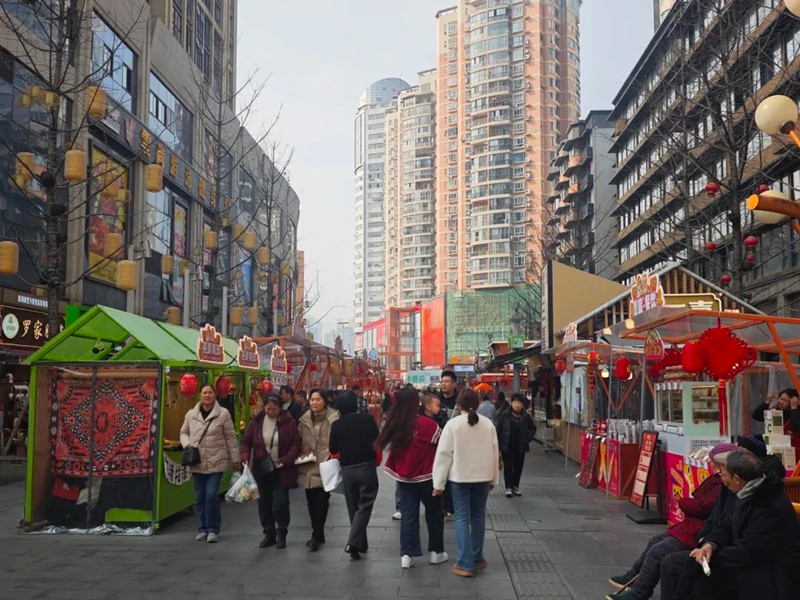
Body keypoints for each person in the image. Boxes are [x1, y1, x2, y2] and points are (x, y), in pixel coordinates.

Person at [659, 438, 790, 600]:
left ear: (736, 478)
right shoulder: (745, 491)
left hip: (768, 572)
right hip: (740, 558)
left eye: (724, 475)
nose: (722, 479)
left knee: (700, 576)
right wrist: (710, 544)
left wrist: (711, 558)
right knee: (674, 563)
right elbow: (726, 524)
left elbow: (748, 552)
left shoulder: (769, 505)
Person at [604, 443, 728, 600]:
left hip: (698, 532)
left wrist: (684, 502)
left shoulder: (721, 485)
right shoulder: (719, 481)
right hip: (695, 527)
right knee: (655, 541)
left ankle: (639, 593)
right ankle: (632, 577)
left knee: (660, 551)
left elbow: (704, 507)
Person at [433, 388, 499, 578]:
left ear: (458, 405)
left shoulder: (453, 425)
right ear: (478, 404)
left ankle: (464, 563)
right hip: (483, 478)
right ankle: (477, 559)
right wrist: (494, 478)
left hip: (460, 479)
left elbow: (444, 455)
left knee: (462, 518)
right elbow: (495, 454)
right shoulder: (488, 425)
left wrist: (438, 483)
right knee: (478, 517)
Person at [379, 387, 448, 569]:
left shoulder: (394, 425)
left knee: (408, 516)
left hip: (404, 477)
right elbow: (443, 448)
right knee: (434, 513)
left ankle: (407, 555)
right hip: (427, 476)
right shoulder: (429, 425)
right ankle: (436, 552)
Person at [179, 385, 240, 543]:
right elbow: (183, 432)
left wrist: (235, 458)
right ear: (200, 395)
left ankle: (213, 529)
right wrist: (187, 445)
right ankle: (202, 528)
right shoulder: (191, 414)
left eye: (210, 393)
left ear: (215, 395)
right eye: (204, 392)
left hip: (216, 461)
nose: (207, 395)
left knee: (211, 495)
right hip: (197, 461)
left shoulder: (223, 414)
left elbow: (230, 437)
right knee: (199, 497)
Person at [240, 394, 301, 549]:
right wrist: (245, 457)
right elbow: (246, 441)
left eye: (274, 409)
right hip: (262, 468)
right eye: (268, 409)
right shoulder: (257, 422)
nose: (271, 412)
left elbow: (296, 443)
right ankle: (269, 534)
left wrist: (286, 459)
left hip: (282, 469)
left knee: (280, 503)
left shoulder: (288, 423)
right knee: (263, 503)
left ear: (280, 408)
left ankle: (282, 533)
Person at [329, 390, 381, 560]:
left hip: (347, 469)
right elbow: (376, 439)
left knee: (353, 507)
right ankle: (353, 542)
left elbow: (333, 449)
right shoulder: (367, 420)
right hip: (366, 467)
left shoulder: (336, 425)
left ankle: (360, 544)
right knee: (365, 505)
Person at [297, 388, 339, 552]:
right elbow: (298, 440)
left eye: (318, 399)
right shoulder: (304, 419)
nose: (314, 403)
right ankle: (318, 533)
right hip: (308, 464)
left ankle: (317, 535)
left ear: (325, 401)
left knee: (321, 502)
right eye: (312, 399)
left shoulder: (334, 418)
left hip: (325, 465)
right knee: (311, 502)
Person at [496, 393, 536, 498]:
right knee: (508, 467)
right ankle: (508, 487)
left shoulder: (525, 416)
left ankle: (515, 486)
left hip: (520, 446)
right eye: (514, 402)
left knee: (518, 467)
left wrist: (528, 438)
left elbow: (533, 428)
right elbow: (498, 428)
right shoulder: (505, 415)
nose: (516, 405)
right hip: (507, 445)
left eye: (519, 402)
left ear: (523, 404)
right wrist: (497, 443)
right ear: (511, 403)